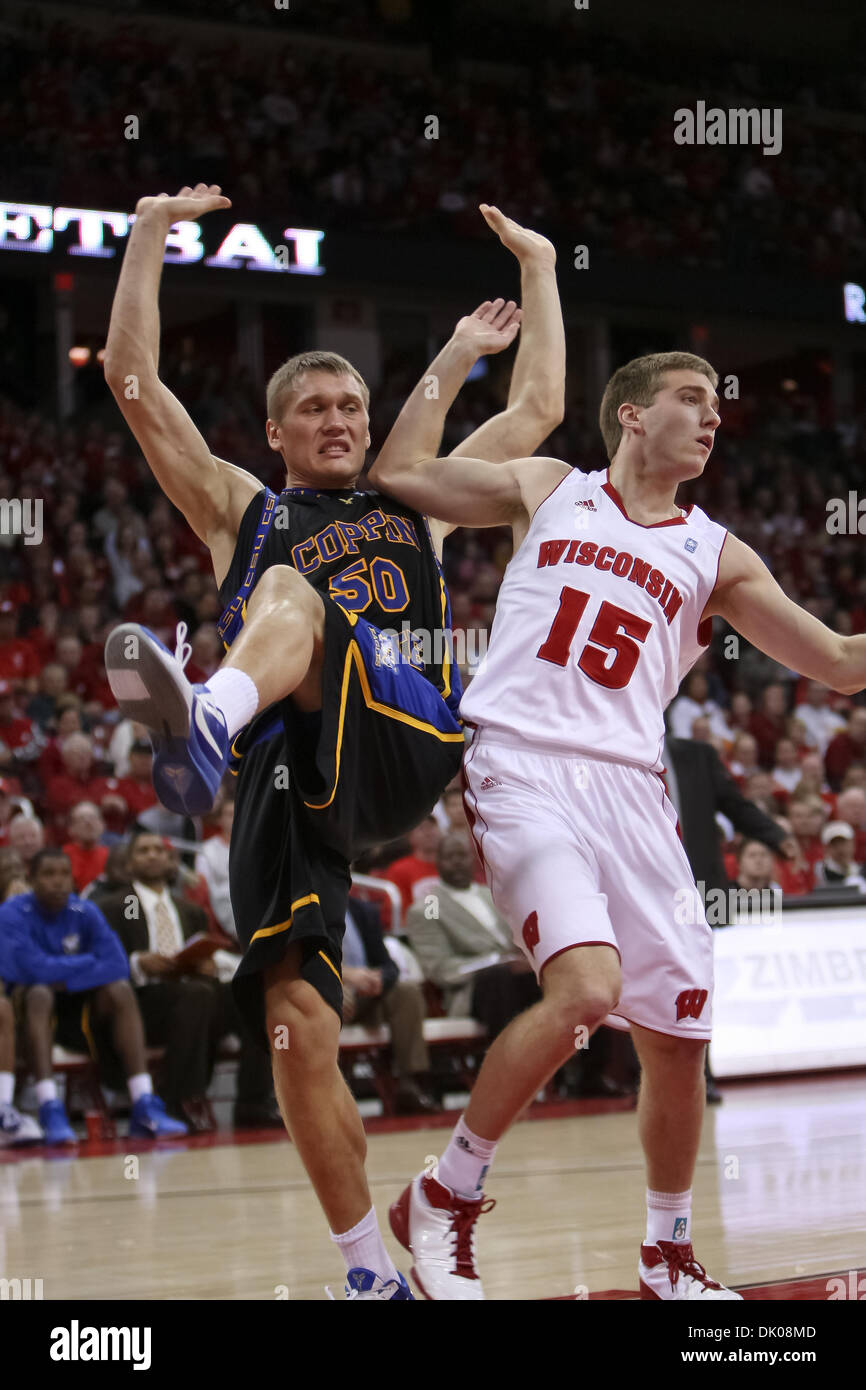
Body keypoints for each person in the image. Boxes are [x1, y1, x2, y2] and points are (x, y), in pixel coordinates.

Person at [100, 183, 564, 1299]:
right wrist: (150, 234)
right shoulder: (242, 506)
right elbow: (133, 383)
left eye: (350, 402)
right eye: (312, 407)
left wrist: (541, 270)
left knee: (294, 607)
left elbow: (539, 407)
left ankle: (202, 717)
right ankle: (368, 1272)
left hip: (400, 727)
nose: (338, 419)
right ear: (273, 433)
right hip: (283, 771)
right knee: (297, 1029)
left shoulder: (418, 499)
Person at [368, 348, 866, 1300]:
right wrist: (460, 356)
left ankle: (666, 1256)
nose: (713, 417)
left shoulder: (715, 552)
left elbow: (840, 662)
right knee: (588, 990)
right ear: (632, 416)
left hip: (635, 794)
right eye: (690, 399)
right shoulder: (551, 488)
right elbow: (400, 473)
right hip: (522, 765)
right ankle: (445, 1192)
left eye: (718, 404)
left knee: (679, 1038)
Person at [96, 829, 278, 1131]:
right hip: (139, 1002)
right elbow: (101, 962)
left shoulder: (191, 910)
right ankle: (179, 1100)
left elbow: (203, 955)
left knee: (251, 992)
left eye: (159, 850)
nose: (153, 855)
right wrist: (139, 962)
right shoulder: (114, 907)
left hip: (191, 993)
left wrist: (207, 965)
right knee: (197, 994)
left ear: (171, 863)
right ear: (129, 864)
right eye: (143, 851)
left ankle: (253, 1100)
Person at [1, 848, 186, 1143]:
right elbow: (27, 970)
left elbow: (118, 965)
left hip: (81, 1015)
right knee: (39, 994)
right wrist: (85, 963)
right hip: (28, 1019)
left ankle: (144, 1103)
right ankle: (49, 1107)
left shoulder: (83, 910)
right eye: (48, 874)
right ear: (32, 879)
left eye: (64, 874)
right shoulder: (12, 912)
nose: (58, 882)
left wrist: (60, 974)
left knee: (120, 990)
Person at [342, 895, 434, 1116]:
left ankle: (409, 1083)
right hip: (325, 991)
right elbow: (298, 960)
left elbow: (388, 965)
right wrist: (341, 977)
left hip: (366, 998)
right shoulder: (300, 906)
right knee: (332, 992)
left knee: (407, 992)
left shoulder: (363, 910)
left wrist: (379, 979)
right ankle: (326, 1097)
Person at [814, 822, 866, 891]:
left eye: (844, 843)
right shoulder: (819, 871)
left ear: (853, 844)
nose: (840, 848)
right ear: (826, 848)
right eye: (834, 844)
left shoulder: (861, 869)